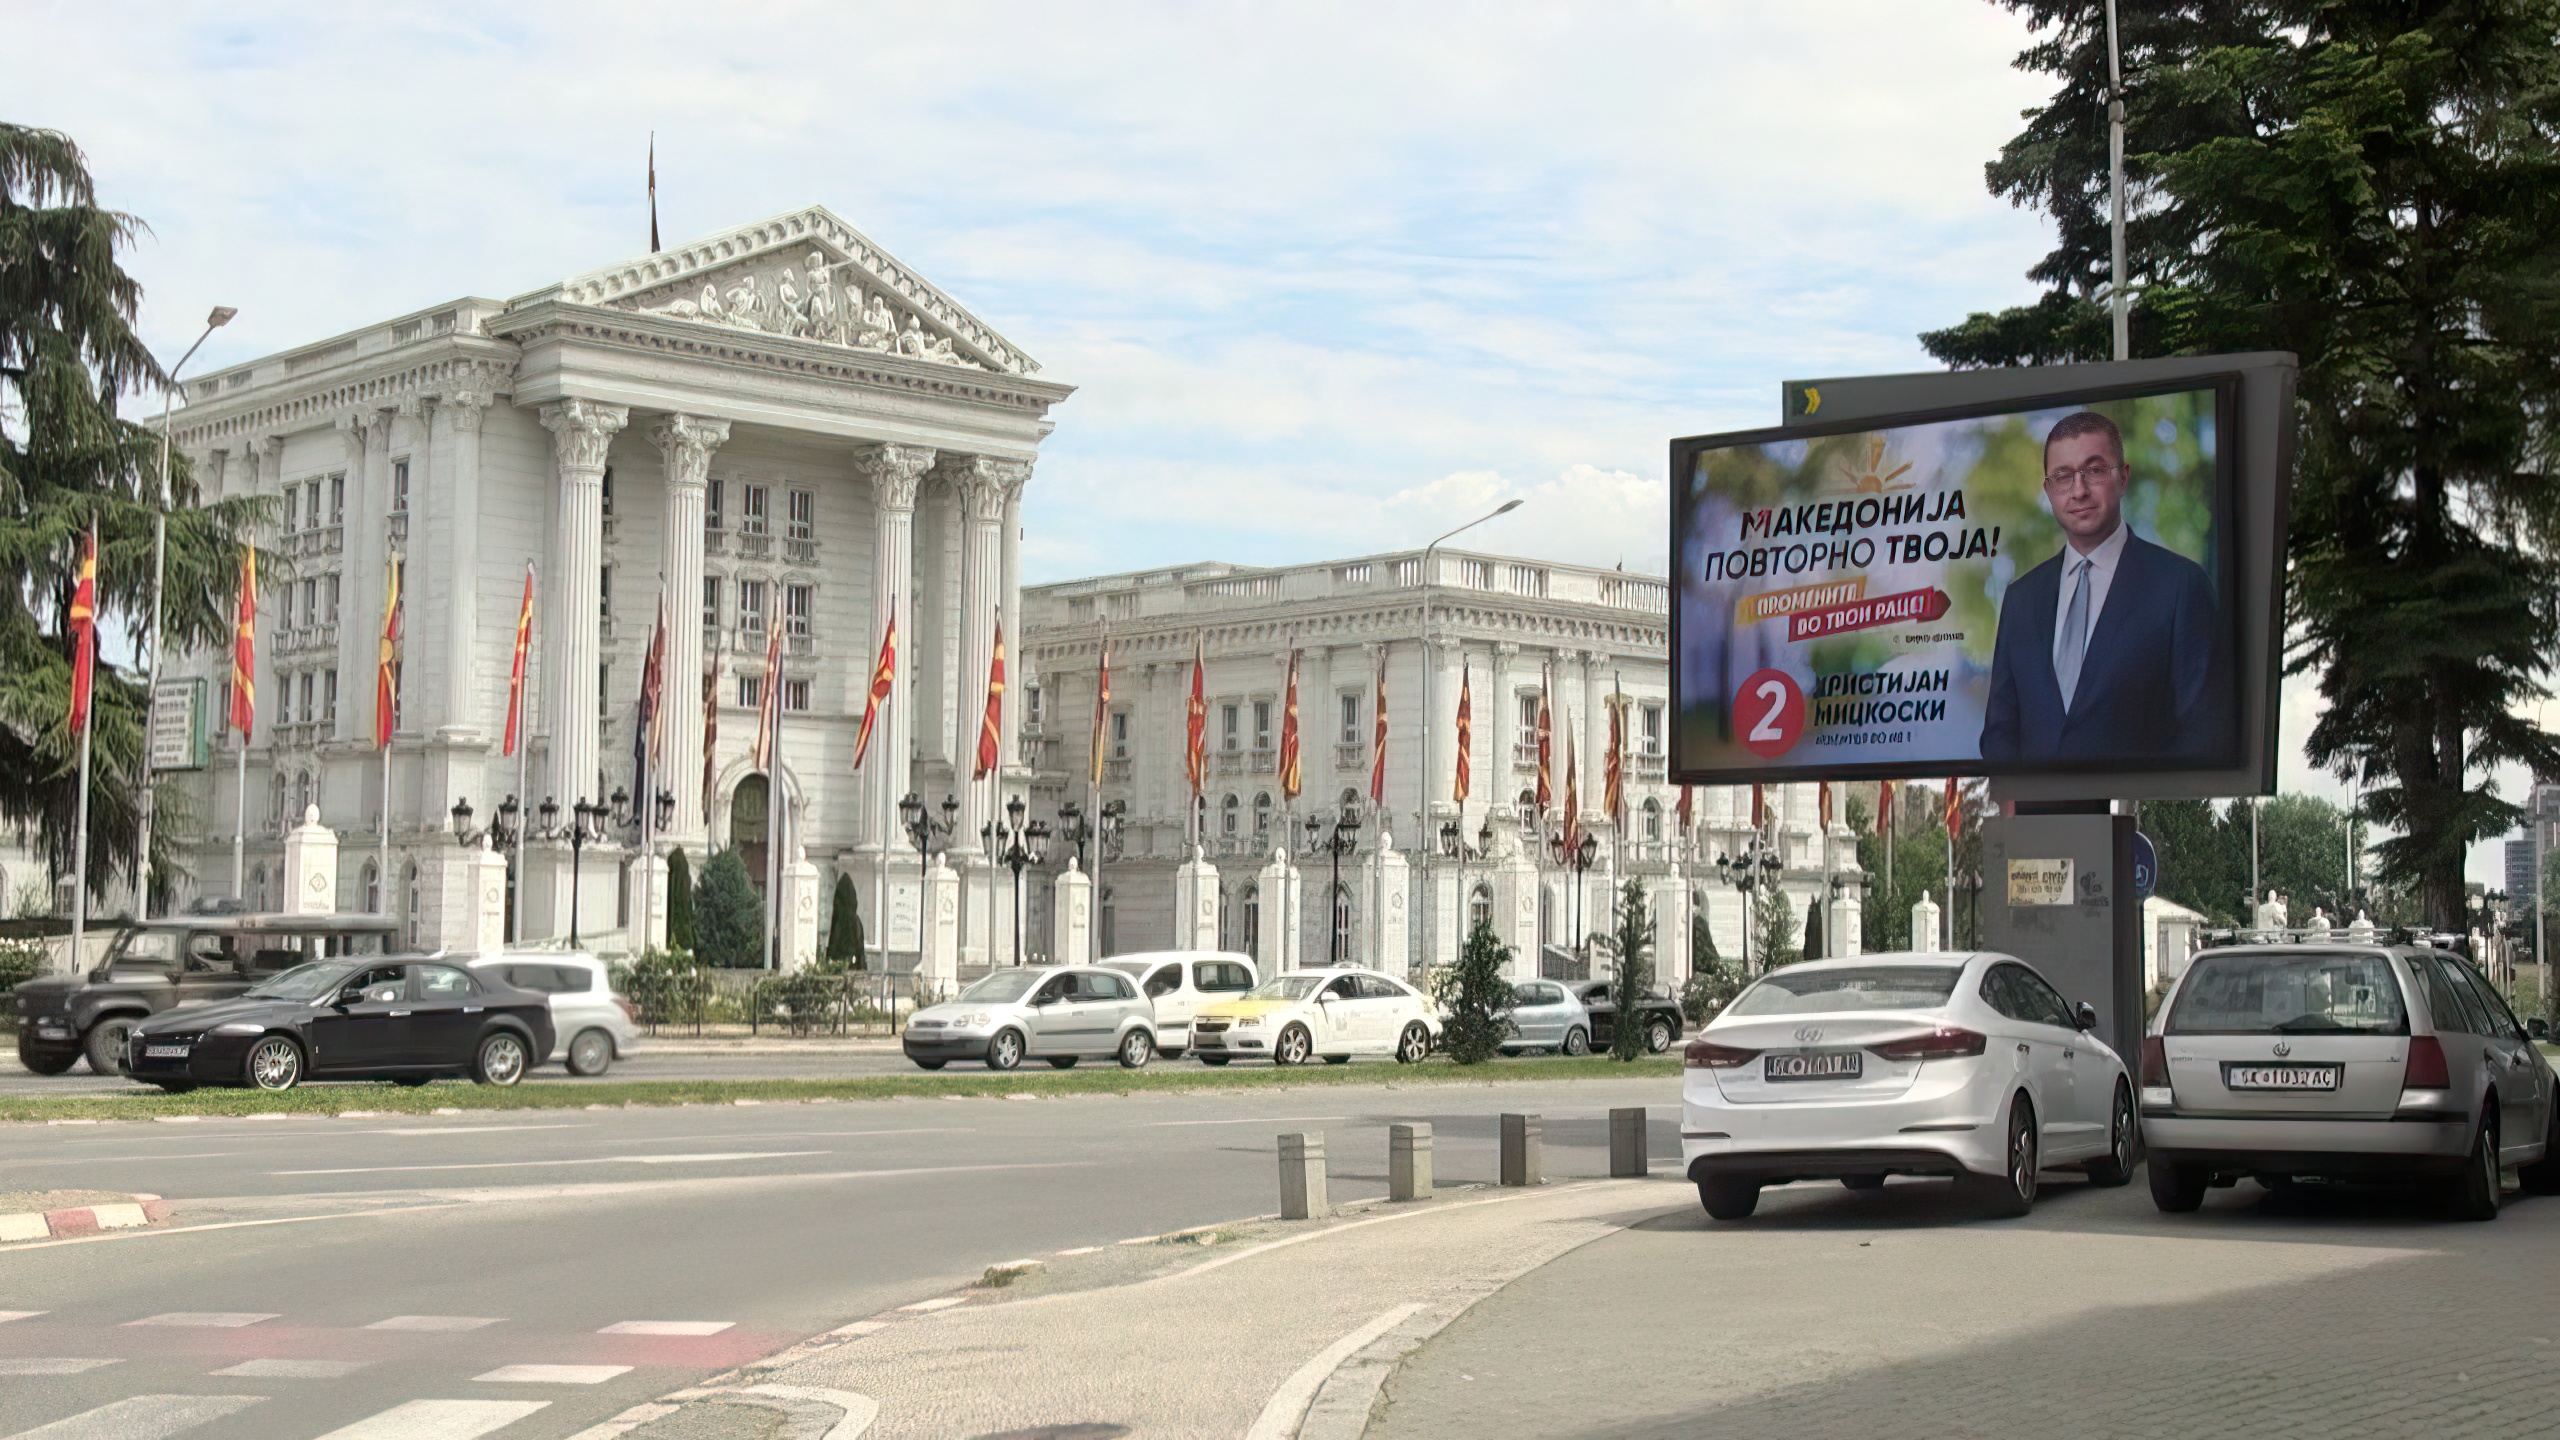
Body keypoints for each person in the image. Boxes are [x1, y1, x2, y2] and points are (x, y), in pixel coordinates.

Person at [1979, 410, 2229, 764]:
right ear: (2048, 490)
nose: (2078, 491)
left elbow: (2205, 732)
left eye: (2094, 471)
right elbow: (1999, 733)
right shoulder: (2020, 599)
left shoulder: (2181, 587)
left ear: (2123, 478)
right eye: (2062, 477)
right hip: (2035, 819)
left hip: (2135, 815)